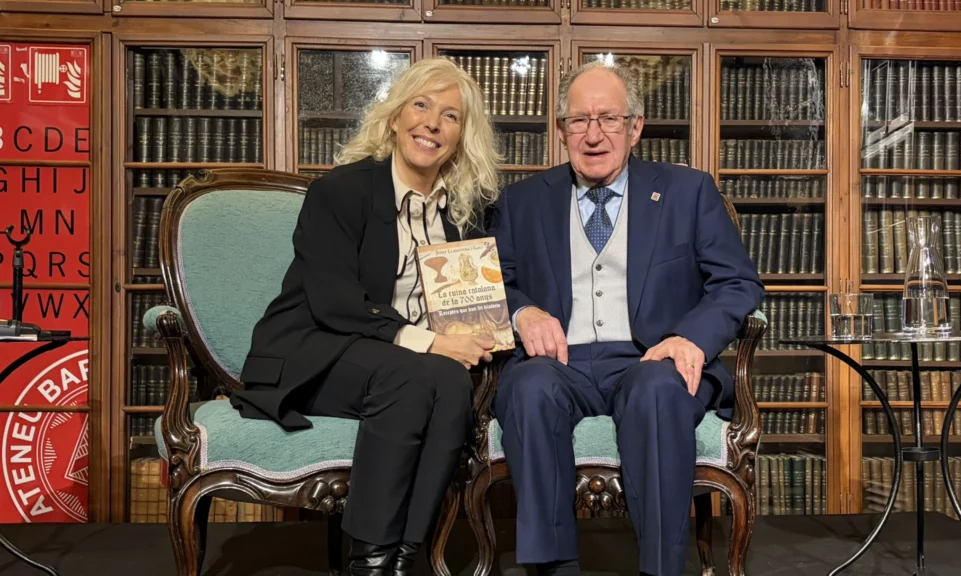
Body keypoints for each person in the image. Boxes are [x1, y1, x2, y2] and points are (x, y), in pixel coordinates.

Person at [489, 60, 765, 576]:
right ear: (561, 130)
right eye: (579, 121)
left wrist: (692, 339)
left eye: (609, 119)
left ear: (635, 127)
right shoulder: (523, 200)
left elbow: (738, 282)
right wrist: (523, 311)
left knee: (659, 392)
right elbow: (490, 285)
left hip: (650, 359)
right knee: (527, 389)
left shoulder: (688, 191)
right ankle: (553, 569)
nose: (593, 135)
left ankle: (661, 569)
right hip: (560, 363)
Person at [229, 56, 503, 575]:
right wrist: (429, 342)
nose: (431, 123)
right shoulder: (342, 191)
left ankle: (402, 557)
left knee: (447, 382)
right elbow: (335, 304)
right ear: (395, 116)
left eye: (450, 116)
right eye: (421, 105)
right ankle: (370, 561)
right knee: (414, 374)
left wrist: (474, 334)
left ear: (462, 135)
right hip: (315, 350)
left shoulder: (465, 209)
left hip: (407, 364)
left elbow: (469, 301)